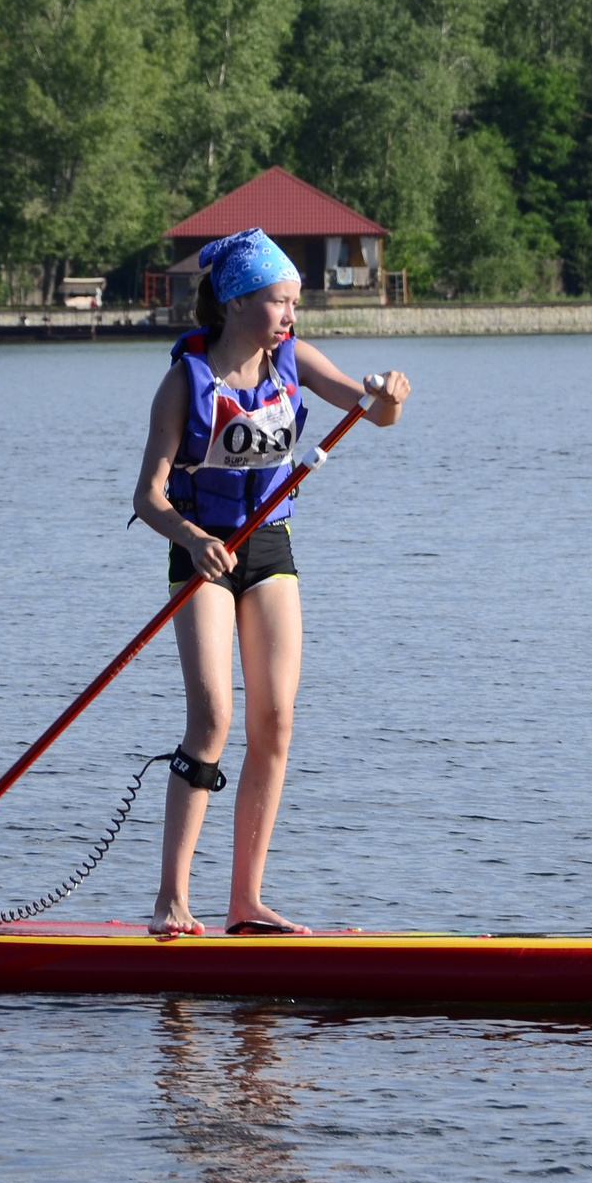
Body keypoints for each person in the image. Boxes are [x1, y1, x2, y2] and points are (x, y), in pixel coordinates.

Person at [130, 227, 410, 936]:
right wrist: (193, 540)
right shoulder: (184, 382)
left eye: (293, 302)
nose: (291, 315)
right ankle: (172, 900)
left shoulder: (295, 360)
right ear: (235, 303)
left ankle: (245, 903)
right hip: (203, 557)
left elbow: (374, 413)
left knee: (275, 722)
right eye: (280, 302)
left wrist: (391, 394)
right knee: (213, 721)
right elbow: (148, 498)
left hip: (270, 548)